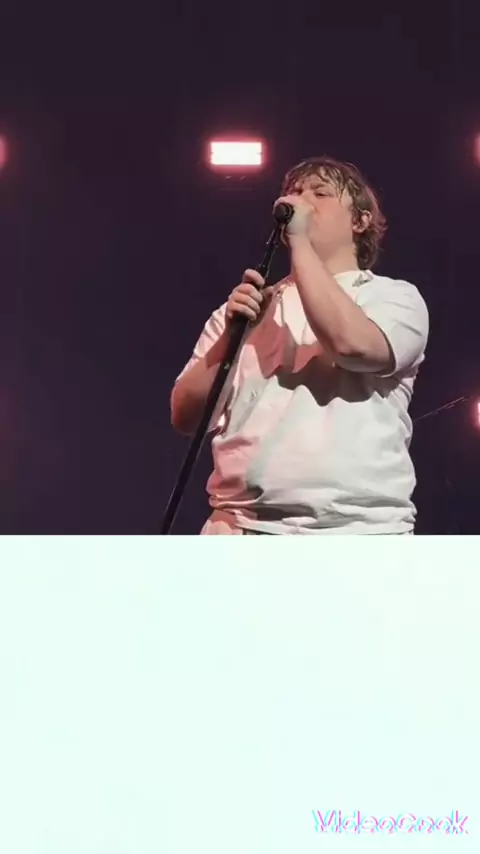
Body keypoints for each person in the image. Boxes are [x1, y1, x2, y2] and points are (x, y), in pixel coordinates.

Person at [170, 156, 429, 534]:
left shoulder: (392, 298)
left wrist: (301, 242)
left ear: (360, 221)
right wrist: (231, 336)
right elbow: (186, 417)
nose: (300, 201)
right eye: (294, 192)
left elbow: (352, 346)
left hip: (360, 533)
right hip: (240, 528)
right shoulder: (246, 308)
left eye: (320, 194)